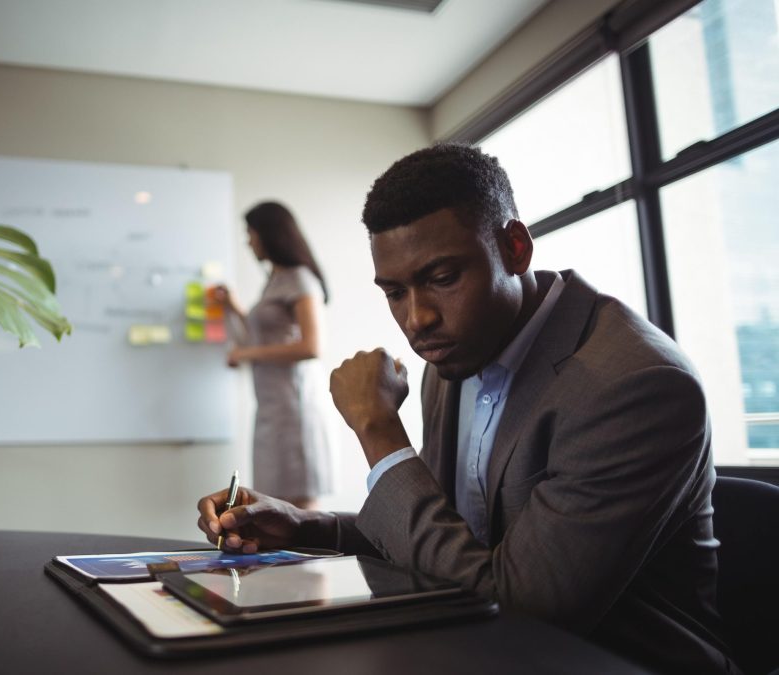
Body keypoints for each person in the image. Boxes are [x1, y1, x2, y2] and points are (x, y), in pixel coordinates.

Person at [196, 145, 739, 674]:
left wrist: (380, 433)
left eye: (442, 278)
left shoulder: (633, 385)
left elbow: (521, 608)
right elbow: (444, 536)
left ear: (516, 249)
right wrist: (305, 528)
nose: (418, 319)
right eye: (395, 292)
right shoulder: (453, 360)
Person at [213, 201, 335, 509]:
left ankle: (308, 562)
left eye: (251, 233)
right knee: (275, 506)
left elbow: (311, 346)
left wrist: (245, 353)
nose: (248, 241)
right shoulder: (275, 281)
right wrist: (234, 308)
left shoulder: (300, 279)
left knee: (299, 511)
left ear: (269, 234)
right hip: (271, 409)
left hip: (295, 411)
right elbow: (265, 333)